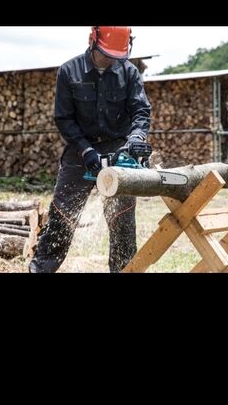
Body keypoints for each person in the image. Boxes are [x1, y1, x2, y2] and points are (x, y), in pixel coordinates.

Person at [29, 26, 152, 273]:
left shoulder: (129, 73)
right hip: (80, 150)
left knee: (123, 222)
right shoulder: (69, 71)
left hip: (118, 149)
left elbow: (141, 111)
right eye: (107, 54)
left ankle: (123, 270)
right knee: (62, 218)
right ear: (92, 40)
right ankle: (41, 268)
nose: (111, 59)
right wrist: (85, 150)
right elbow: (64, 119)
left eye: (116, 55)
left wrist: (136, 137)